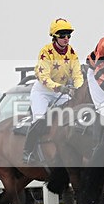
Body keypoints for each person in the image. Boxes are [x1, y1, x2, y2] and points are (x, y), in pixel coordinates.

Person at [24, 18, 84, 163]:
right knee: (39, 120)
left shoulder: (72, 53)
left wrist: (78, 88)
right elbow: (44, 78)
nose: (66, 39)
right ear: (55, 36)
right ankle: (28, 152)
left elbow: (77, 74)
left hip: (62, 91)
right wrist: (60, 87)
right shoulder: (46, 52)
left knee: (74, 115)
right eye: (63, 35)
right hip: (43, 91)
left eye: (68, 36)